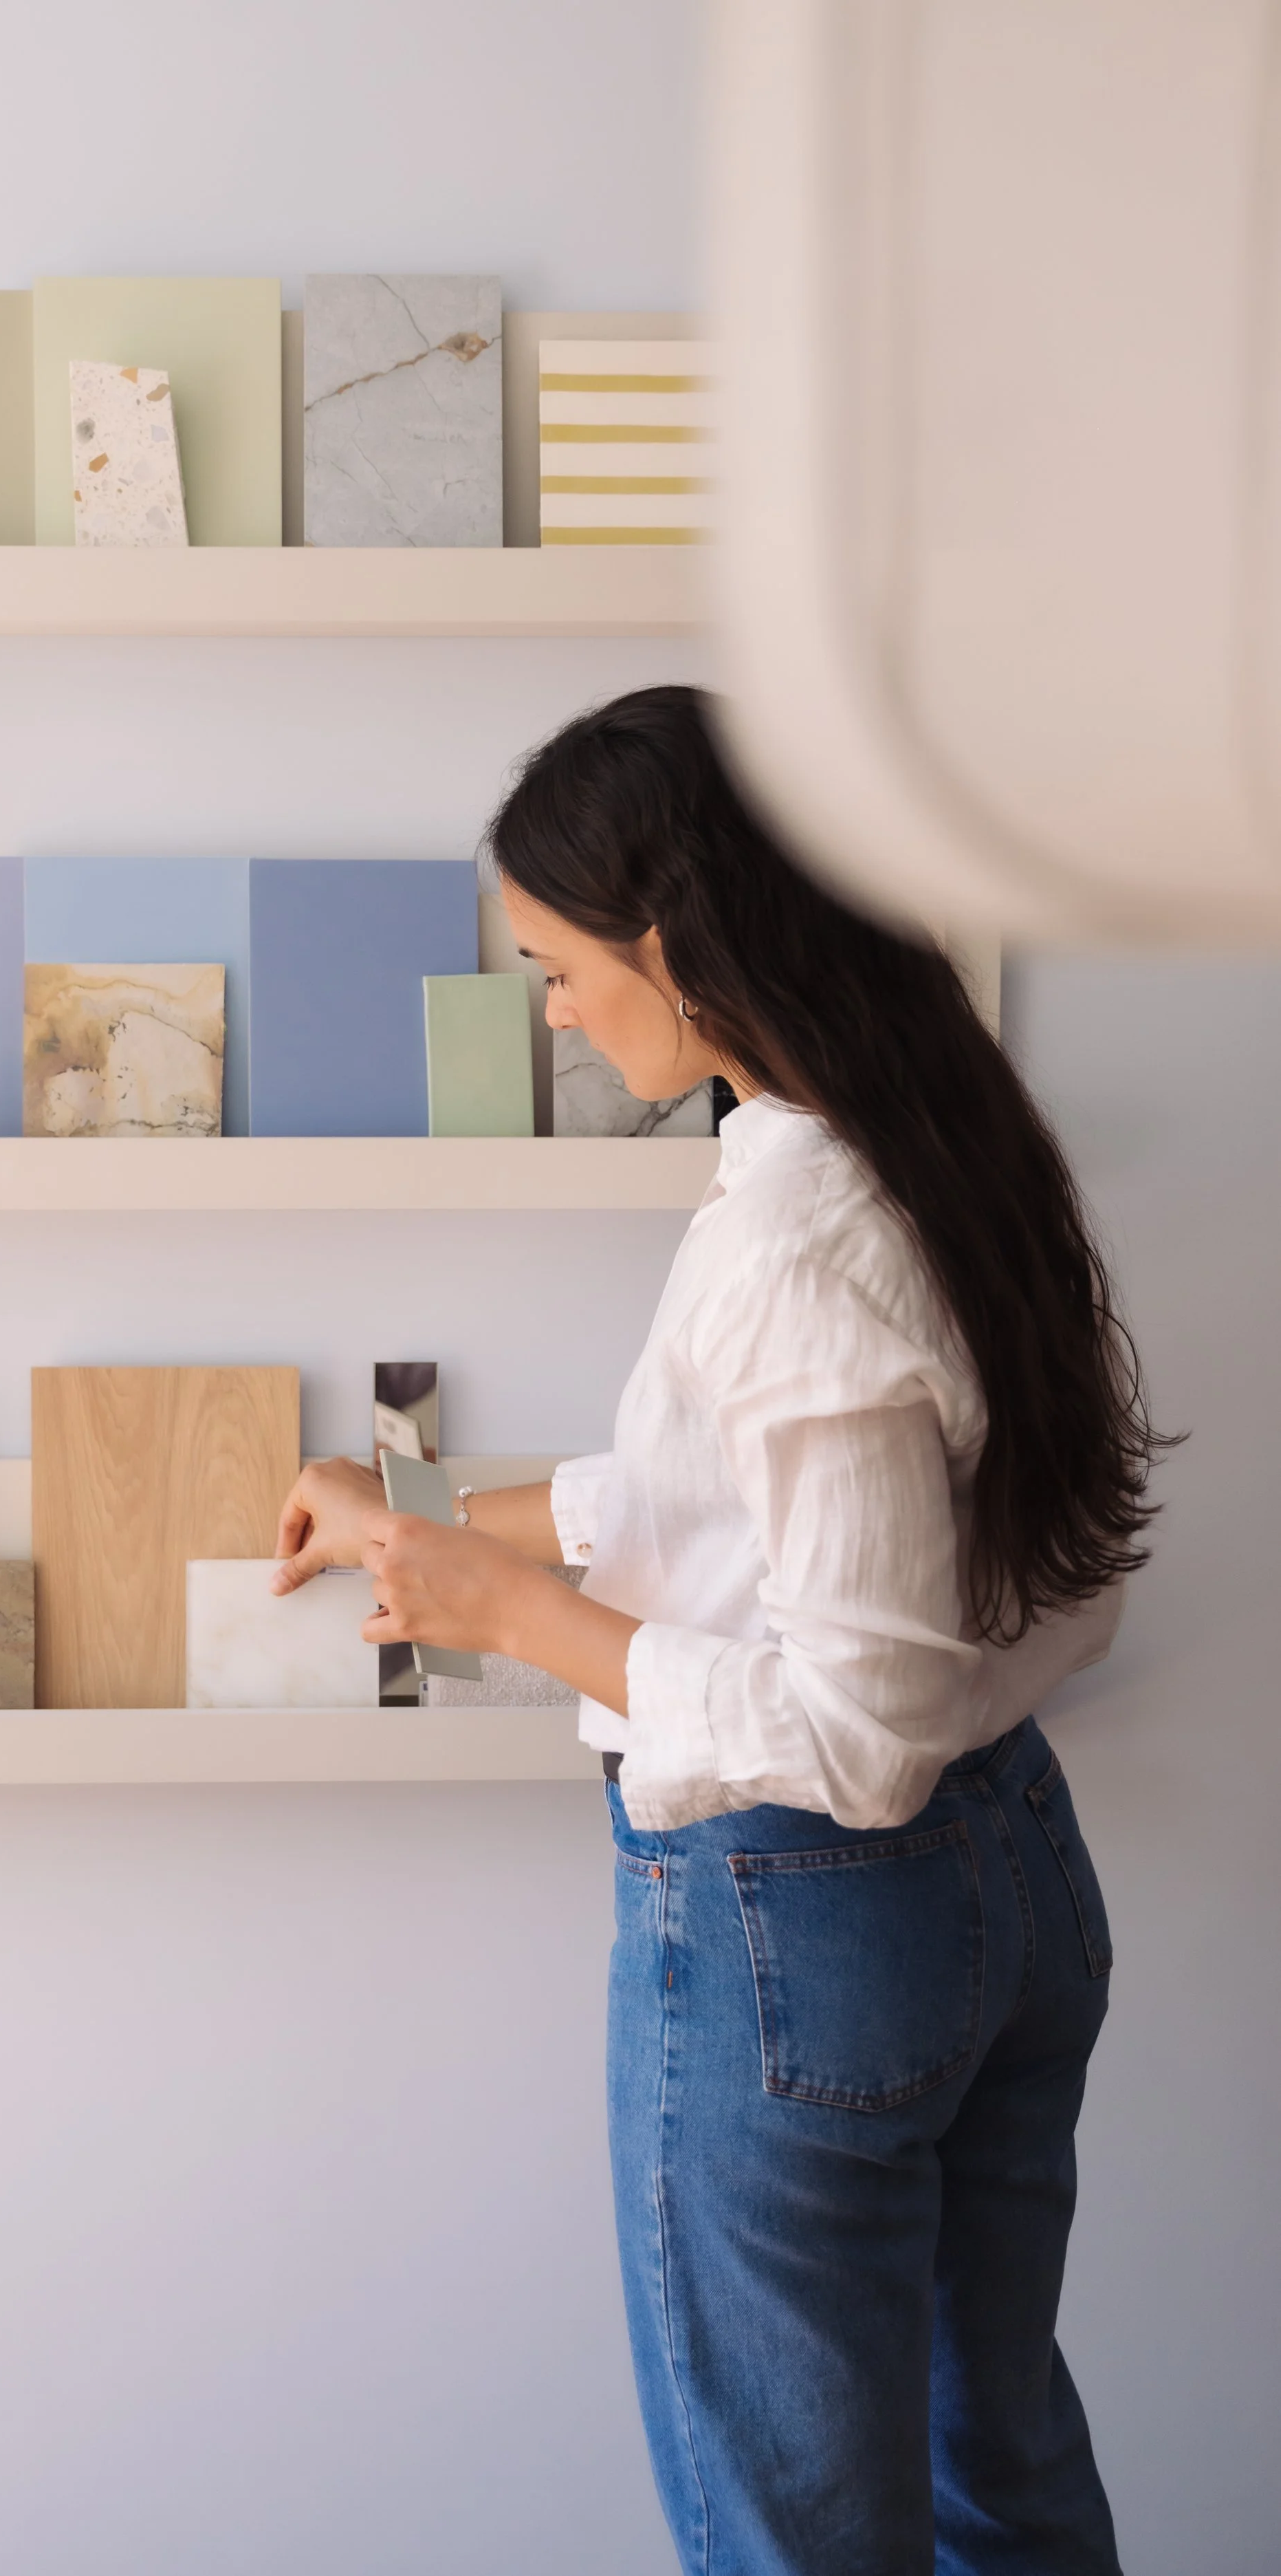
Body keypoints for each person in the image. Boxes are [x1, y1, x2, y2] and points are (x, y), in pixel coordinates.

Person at [271, 685, 1161, 2576]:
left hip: (810, 1919)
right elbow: (734, 1495)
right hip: (1005, 1885)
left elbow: (852, 1733)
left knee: (800, 2539)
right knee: (995, 2480)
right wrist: (419, 1518)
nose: (556, 1014)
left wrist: (499, 1608)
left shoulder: (790, 1232)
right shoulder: (928, 1141)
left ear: (668, 939)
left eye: (556, 967)